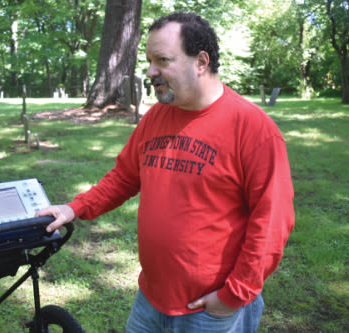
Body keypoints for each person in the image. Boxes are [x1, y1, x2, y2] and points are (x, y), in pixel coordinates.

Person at [37, 12, 295, 333]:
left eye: (162, 60)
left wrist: (233, 295)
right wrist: (74, 208)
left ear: (200, 62)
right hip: (150, 299)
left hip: (211, 310)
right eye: (148, 60)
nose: (150, 71)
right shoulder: (157, 116)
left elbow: (272, 222)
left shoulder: (253, 129)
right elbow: (124, 177)